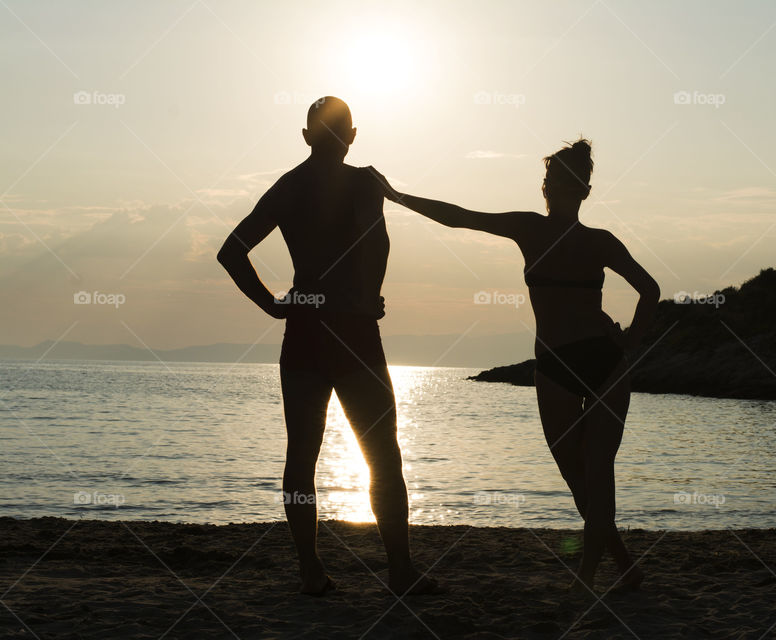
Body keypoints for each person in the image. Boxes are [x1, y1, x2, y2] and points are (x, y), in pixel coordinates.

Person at [371, 139, 659, 594]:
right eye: (552, 183)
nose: (552, 190)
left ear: (572, 190)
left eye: (557, 183)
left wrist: (629, 344)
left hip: (590, 363)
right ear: (560, 189)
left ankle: (585, 578)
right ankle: (626, 568)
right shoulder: (550, 233)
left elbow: (650, 289)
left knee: (593, 475)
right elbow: (462, 217)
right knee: (585, 478)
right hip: (572, 363)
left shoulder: (575, 237)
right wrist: (399, 196)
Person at [217, 96, 436, 596]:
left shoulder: (291, 187)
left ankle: (313, 571)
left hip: (310, 328)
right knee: (380, 454)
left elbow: (232, 250)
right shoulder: (364, 181)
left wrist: (276, 305)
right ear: (352, 135)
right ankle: (394, 571)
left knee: (306, 455)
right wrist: (364, 295)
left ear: (306, 135)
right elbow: (374, 239)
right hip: (349, 330)